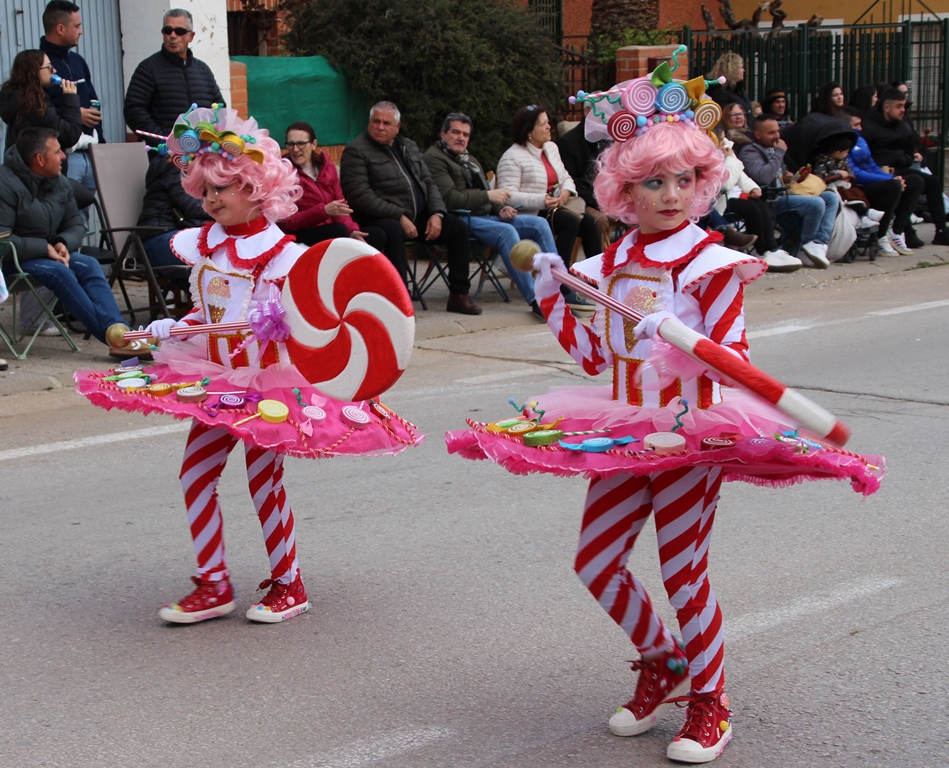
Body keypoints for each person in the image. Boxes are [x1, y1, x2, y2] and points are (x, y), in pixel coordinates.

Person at [447, 60, 883, 765]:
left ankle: (711, 701)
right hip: (621, 428)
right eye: (653, 181)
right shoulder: (611, 264)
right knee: (596, 562)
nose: (672, 194)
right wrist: (554, 290)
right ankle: (663, 661)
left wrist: (684, 346)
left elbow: (733, 358)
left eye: (684, 179)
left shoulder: (709, 262)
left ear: (703, 181)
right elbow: (593, 358)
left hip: (688, 429)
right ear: (623, 189)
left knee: (683, 573)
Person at [75, 106, 421, 625]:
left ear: (258, 188)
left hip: (270, 386)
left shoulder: (285, 256)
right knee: (195, 474)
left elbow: (312, 320)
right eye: (206, 189)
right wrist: (166, 328)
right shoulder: (209, 246)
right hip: (216, 380)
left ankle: (289, 582)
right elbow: (210, 312)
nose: (211, 200)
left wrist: (281, 324)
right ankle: (213, 583)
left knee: (264, 483)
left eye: (225, 188)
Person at [0, 127, 146, 357]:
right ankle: (117, 342)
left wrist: (63, 242)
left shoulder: (60, 182)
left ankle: (122, 332)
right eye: (58, 152)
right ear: (39, 159)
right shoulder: (5, 184)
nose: (64, 157)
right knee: (61, 271)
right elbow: (2, 240)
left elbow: (75, 224)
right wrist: (45, 248)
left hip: (47, 255)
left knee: (88, 264)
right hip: (10, 261)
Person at [340, 101, 482, 315]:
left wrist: (437, 213)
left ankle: (459, 296)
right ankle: (400, 300)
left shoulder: (409, 147)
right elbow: (360, 196)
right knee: (393, 230)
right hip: (379, 217)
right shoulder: (356, 151)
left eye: (386, 123)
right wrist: (399, 216)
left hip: (418, 216)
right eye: (375, 121)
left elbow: (429, 182)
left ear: (397, 127)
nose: (380, 127)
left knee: (457, 227)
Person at [423, 112, 557, 316]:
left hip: (486, 216)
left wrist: (501, 208)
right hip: (460, 219)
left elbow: (490, 198)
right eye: (456, 133)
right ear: (443, 134)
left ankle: (557, 290)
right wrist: (488, 196)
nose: (461, 138)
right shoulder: (434, 159)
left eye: (466, 134)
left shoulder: (469, 159)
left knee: (538, 223)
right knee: (506, 231)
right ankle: (537, 300)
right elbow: (450, 198)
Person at [496, 104, 601, 308]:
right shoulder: (512, 157)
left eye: (547, 122)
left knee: (589, 222)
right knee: (570, 222)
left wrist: (566, 191)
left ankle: (597, 280)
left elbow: (566, 177)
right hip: (531, 212)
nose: (549, 127)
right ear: (529, 132)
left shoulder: (551, 148)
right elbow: (507, 196)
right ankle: (560, 284)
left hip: (556, 206)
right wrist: (541, 199)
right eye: (543, 124)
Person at [738, 114, 839, 268]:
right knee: (816, 204)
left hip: (785, 193)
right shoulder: (750, 152)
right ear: (758, 134)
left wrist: (787, 176)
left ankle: (819, 243)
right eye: (771, 133)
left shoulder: (773, 150)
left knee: (831, 198)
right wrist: (779, 153)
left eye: (777, 131)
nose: (777, 136)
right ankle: (807, 245)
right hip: (768, 200)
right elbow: (763, 177)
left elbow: (777, 174)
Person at [861, 88, 949, 246]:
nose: (903, 110)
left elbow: (910, 151)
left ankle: (941, 230)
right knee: (906, 184)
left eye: (904, 106)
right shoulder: (869, 126)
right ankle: (904, 231)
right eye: (899, 106)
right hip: (879, 171)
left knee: (932, 182)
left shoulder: (903, 125)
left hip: (900, 166)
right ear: (887, 107)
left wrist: (900, 158)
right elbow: (867, 157)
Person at [280, 121, 385, 252]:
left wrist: (352, 231)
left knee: (378, 235)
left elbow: (340, 208)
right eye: (291, 144)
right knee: (337, 231)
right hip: (299, 235)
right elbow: (288, 222)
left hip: (329, 230)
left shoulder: (327, 167)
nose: (295, 149)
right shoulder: (282, 173)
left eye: (301, 143)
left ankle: (391, 273)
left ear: (313, 144)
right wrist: (323, 211)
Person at [124, 9, 224, 143]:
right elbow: (134, 111)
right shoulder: (148, 69)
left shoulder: (203, 70)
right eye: (167, 30)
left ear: (191, 36)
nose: (172, 35)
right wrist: (166, 142)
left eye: (179, 31)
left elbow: (220, 109)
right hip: (165, 156)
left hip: (204, 153)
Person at [839, 106, 923, 256]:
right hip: (859, 187)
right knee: (893, 186)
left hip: (875, 179)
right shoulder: (842, 143)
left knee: (916, 181)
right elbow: (855, 172)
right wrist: (890, 180)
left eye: (860, 124)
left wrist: (892, 177)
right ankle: (881, 236)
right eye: (856, 125)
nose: (860, 128)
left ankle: (897, 231)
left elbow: (872, 165)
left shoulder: (861, 140)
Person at [39, 1, 103, 200]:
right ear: (60, 28)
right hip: (64, 155)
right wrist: (76, 114)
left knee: (82, 218)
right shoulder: (40, 65)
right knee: (63, 212)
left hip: (90, 152)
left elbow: (94, 101)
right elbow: (39, 110)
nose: (81, 31)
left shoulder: (78, 61)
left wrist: (100, 146)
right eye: (77, 26)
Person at [715, 134, 801, 271]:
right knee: (750, 209)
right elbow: (726, 182)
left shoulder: (726, 153)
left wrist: (751, 187)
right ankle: (762, 251)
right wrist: (730, 158)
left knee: (759, 203)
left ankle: (772, 249)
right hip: (717, 201)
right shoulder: (711, 156)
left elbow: (739, 173)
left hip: (732, 196)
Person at [137, 150, 212, 275]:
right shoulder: (175, 169)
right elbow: (193, 207)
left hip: (176, 234)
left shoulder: (192, 166)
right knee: (219, 247)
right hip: (158, 240)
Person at [556, 105, 615, 251]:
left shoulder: (609, 139)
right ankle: (600, 266)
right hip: (584, 200)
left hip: (609, 199)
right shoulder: (568, 142)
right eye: (602, 112)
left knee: (639, 212)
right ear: (587, 112)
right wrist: (600, 203)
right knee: (598, 220)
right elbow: (571, 180)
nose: (605, 118)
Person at [0, 49, 82, 153]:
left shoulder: (20, 98)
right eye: (49, 67)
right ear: (34, 71)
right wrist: (70, 97)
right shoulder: (33, 103)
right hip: (37, 167)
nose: (54, 71)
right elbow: (70, 134)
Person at [706, 53, 753, 123]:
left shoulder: (738, 88)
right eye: (741, 67)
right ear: (732, 69)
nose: (743, 70)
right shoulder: (720, 92)